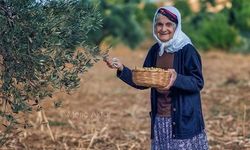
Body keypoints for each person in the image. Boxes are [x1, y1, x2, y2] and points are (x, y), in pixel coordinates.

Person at [104, 6, 209, 150]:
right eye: (159, 24)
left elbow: (198, 82)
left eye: (169, 24)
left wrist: (176, 79)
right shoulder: (155, 50)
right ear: (155, 26)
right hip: (160, 119)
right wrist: (121, 68)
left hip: (183, 121)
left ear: (176, 27)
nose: (163, 29)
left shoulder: (187, 50)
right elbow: (142, 81)